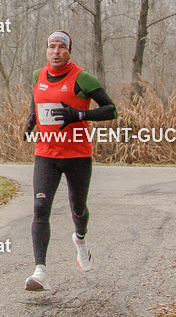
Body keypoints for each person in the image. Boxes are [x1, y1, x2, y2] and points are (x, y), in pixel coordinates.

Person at [23, 31, 117, 291]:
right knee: (40, 207)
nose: (56, 52)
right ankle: (40, 272)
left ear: (69, 52)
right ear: (46, 50)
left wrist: (79, 114)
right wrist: (30, 122)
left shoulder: (82, 78)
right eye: (52, 47)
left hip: (77, 155)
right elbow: (36, 103)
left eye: (61, 47)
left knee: (78, 208)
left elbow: (111, 109)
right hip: (46, 153)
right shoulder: (38, 76)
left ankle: (80, 240)